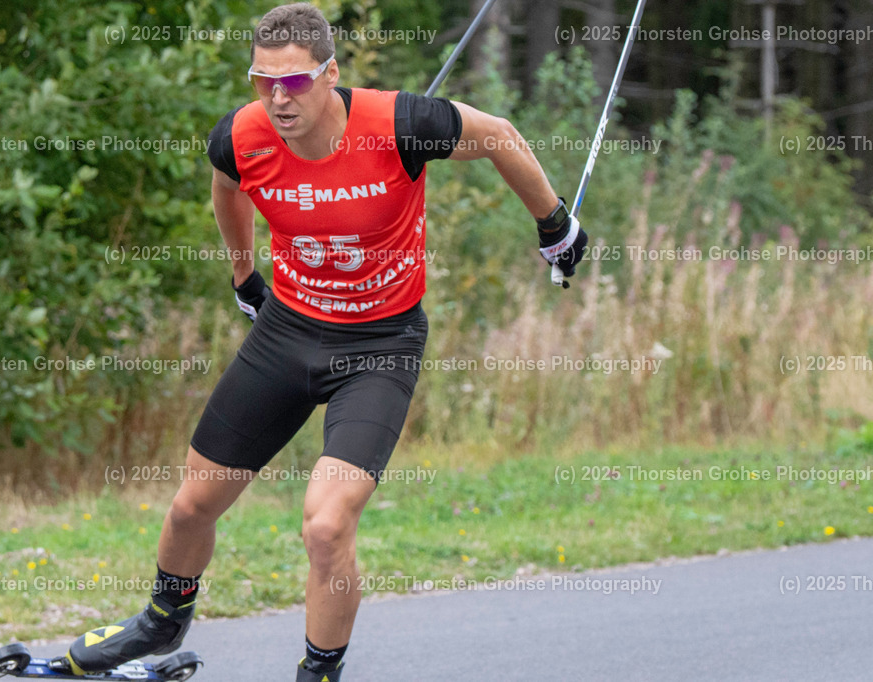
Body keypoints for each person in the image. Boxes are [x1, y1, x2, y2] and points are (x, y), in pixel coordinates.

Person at [62, 3, 586, 680]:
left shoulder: (400, 125)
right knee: (193, 504)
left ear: (330, 74)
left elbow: (499, 136)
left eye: (297, 82)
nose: (279, 99)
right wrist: (244, 274)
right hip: (287, 334)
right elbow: (228, 188)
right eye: (263, 81)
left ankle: (319, 671)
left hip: (379, 345)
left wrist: (554, 225)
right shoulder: (241, 137)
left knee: (325, 525)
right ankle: (162, 622)